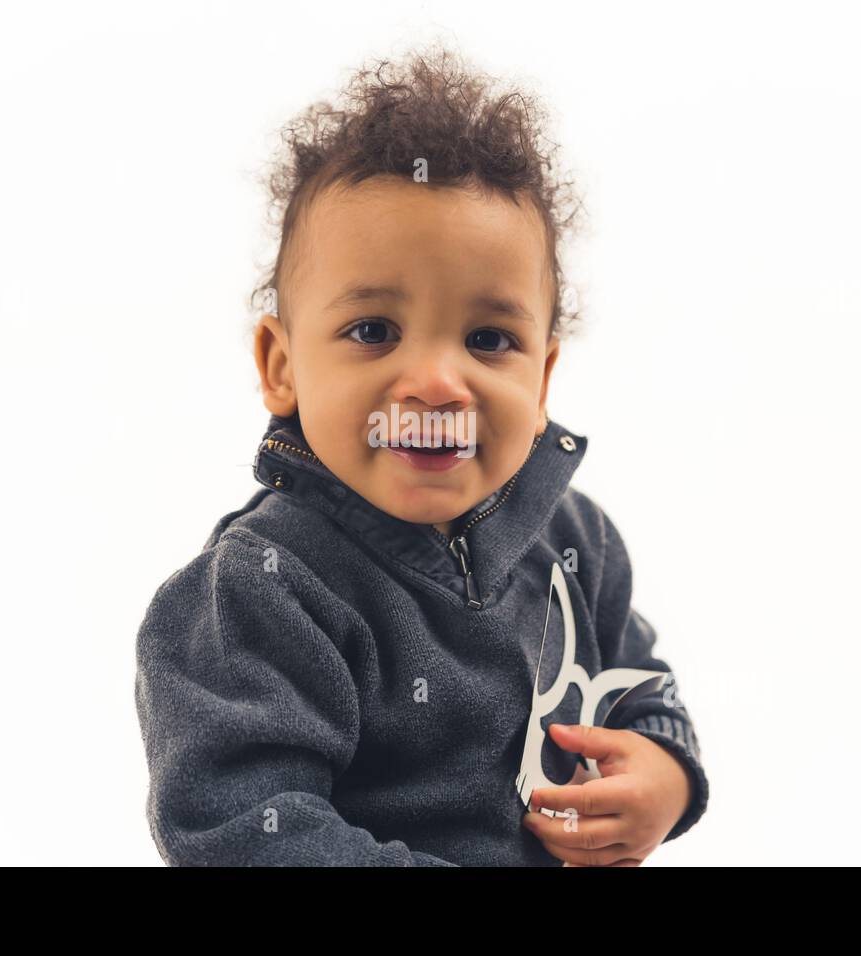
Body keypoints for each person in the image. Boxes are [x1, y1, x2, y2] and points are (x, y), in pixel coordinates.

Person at [133, 41, 709, 866]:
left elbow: (641, 682)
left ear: (543, 376)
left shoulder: (575, 541)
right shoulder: (259, 592)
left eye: (489, 338)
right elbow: (241, 827)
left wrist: (664, 774)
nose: (438, 381)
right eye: (373, 331)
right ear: (282, 365)